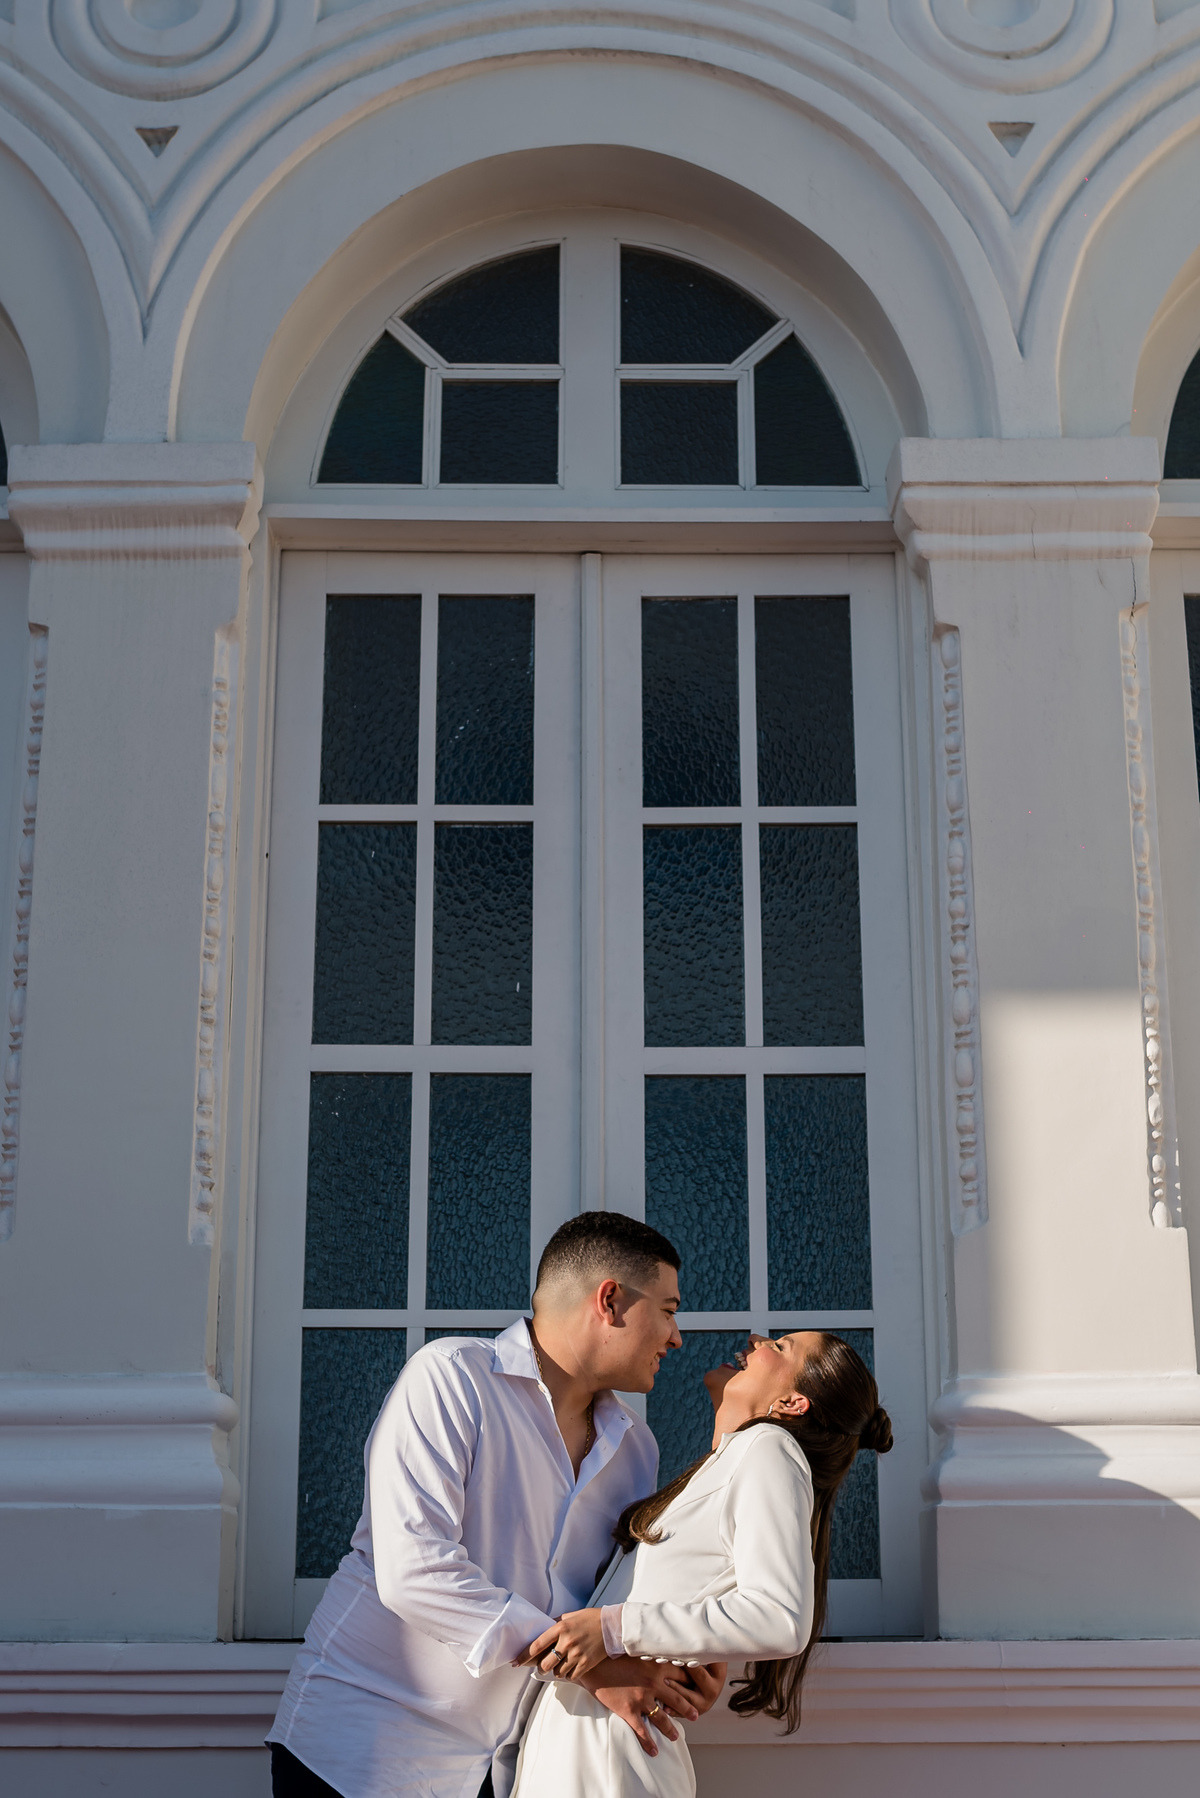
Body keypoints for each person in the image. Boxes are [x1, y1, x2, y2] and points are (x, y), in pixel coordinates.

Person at [267, 1212, 728, 1798]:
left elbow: (611, 1602)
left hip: (503, 1768)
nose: (676, 1337)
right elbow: (414, 1571)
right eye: (668, 1310)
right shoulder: (452, 1378)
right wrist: (591, 1665)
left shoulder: (636, 1449)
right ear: (610, 1301)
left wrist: (683, 1664)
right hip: (358, 1753)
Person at [509, 1330, 893, 1798]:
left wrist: (612, 1628)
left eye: (779, 1346)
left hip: (613, 1759)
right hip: (584, 1748)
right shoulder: (727, 1465)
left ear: (793, 1403)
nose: (757, 1339)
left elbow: (780, 1618)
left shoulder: (769, 1447)